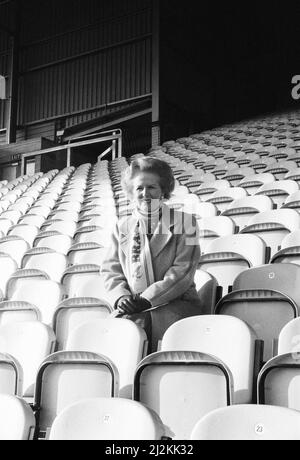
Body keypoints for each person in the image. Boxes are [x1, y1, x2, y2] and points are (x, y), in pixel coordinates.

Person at [100, 157, 202, 352]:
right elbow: (110, 270)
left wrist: (147, 300)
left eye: (152, 187)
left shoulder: (187, 222)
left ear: (163, 190)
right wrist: (122, 298)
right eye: (139, 188)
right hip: (132, 306)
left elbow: (183, 271)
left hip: (175, 304)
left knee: (138, 326)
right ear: (132, 192)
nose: (145, 194)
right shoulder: (121, 227)